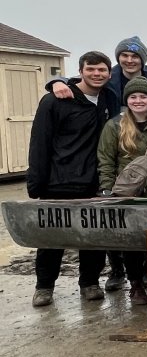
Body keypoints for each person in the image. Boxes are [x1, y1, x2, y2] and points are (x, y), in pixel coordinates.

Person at [46, 36, 147, 291]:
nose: (130, 60)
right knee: (114, 227)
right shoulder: (110, 80)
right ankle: (117, 272)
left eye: (135, 56)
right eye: (125, 55)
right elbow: (82, 80)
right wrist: (57, 81)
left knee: (146, 230)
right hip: (110, 164)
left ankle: (146, 277)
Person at [27, 51, 120, 307]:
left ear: (109, 74)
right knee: (52, 238)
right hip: (58, 180)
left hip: (93, 180)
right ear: (80, 71)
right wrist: (36, 182)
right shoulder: (54, 101)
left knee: (92, 235)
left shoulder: (108, 100)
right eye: (91, 69)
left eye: (102, 70)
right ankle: (44, 286)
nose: (96, 74)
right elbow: (40, 142)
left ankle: (89, 283)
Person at [96, 77, 147, 305]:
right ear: (127, 100)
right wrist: (106, 188)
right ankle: (136, 285)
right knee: (131, 244)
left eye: (143, 96)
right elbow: (106, 160)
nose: (138, 101)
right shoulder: (114, 126)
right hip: (126, 195)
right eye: (133, 97)